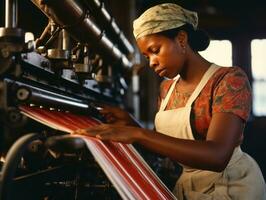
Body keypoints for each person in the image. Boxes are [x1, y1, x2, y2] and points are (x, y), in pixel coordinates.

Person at [74, 3, 266, 200]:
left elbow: (217, 156)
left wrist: (138, 133)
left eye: (155, 50)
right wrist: (130, 124)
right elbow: (169, 149)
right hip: (188, 190)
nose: (152, 62)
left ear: (181, 39)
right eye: (146, 56)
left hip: (231, 187)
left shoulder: (229, 80)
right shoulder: (166, 89)